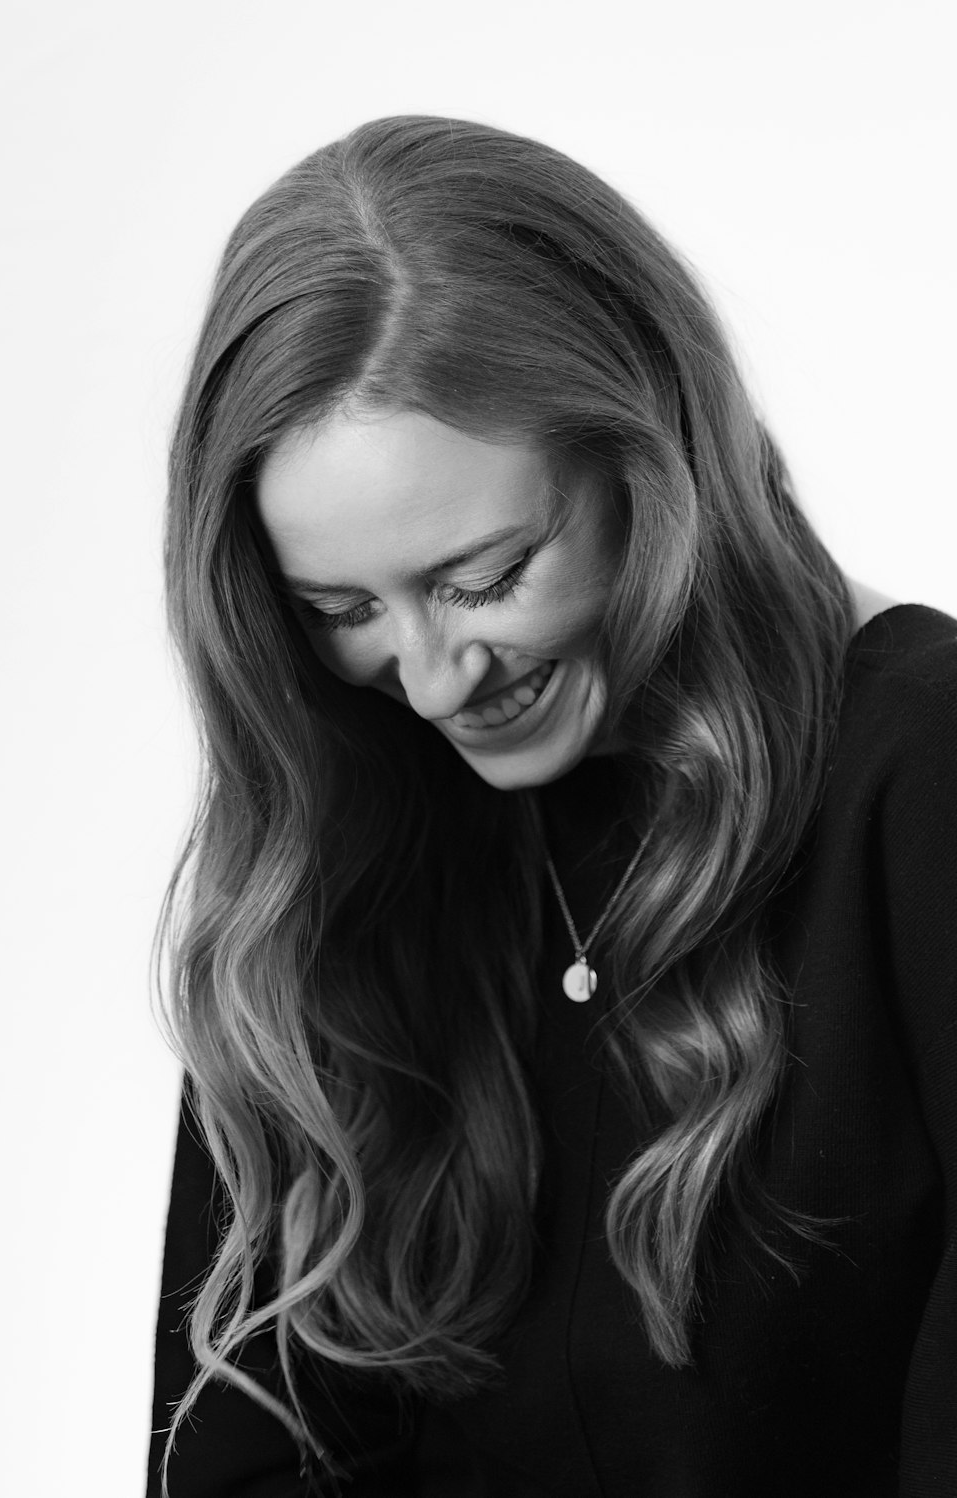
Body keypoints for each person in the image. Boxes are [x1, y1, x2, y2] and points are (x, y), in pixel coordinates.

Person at [145, 115, 957, 1498]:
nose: (431, 675)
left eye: (484, 573)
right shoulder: (333, 854)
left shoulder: (923, 769)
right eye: (342, 610)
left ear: (649, 450)